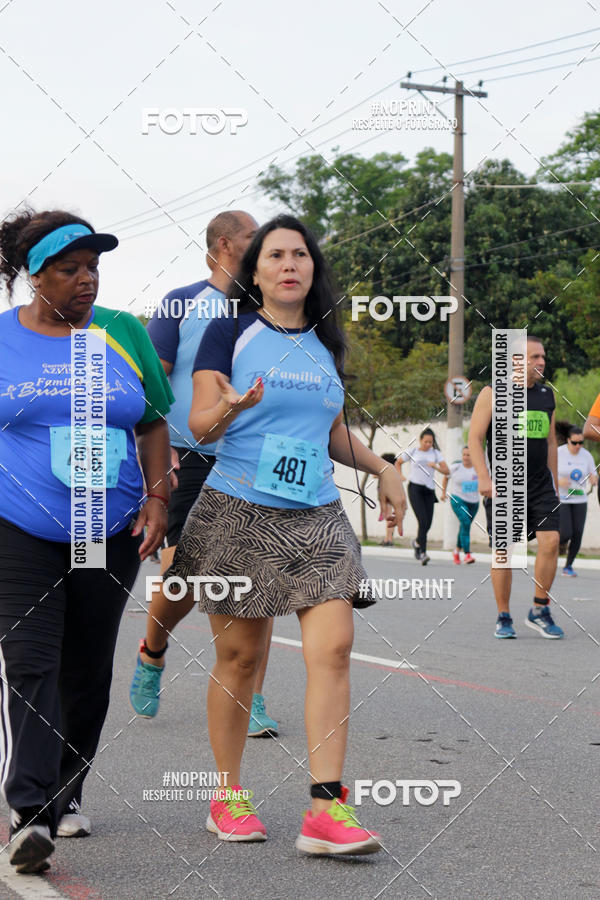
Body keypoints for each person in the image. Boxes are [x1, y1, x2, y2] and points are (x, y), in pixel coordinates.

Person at [150, 214, 407, 853]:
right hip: (238, 511)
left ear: (313, 269)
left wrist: (383, 468)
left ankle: (325, 809)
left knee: (335, 647)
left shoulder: (325, 341)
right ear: (255, 271)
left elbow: (332, 434)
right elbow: (200, 423)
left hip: (316, 514)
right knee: (241, 658)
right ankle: (228, 796)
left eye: (300, 254)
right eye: (275, 255)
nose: (289, 264)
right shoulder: (229, 331)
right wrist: (229, 406)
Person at [0, 209, 173, 874]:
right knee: (30, 661)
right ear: (34, 276)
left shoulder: (122, 334)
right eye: (69, 269)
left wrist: (158, 498)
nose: (86, 280)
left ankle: (66, 792)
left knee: (87, 666)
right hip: (19, 528)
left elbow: (152, 422)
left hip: (104, 528)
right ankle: (29, 812)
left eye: (93, 267)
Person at [129, 211, 278, 737]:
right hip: (190, 454)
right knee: (185, 578)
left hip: (250, 458)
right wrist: (156, 453)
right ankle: (152, 651)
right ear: (225, 244)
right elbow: (150, 383)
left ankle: (249, 695)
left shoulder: (266, 310)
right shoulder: (183, 302)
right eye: (253, 237)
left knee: (257, 576)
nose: (263, 244)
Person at [469, 335, 564, 639]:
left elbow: (551, 442)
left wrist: (554, 482)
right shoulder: (493, 392)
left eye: (543, 357)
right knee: (505, 552)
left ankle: (539, 608)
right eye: (535, 357)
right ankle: (504, 615)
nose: (541, 362)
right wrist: (484, 477)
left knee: (551, 541)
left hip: (540, 484)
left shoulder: (547, 395)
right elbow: (475, 438)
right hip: (504, 486)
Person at [396, 428, 449, 565]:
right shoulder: (413, 452)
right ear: (420, 440)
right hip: (415, 488)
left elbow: (446, 470)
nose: (428, 444)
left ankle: (417, 542)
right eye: (426, 442)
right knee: (423, 520)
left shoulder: (436, 453)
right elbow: (398, 462)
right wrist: (400, 475)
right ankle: (423, 553)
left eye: (430, 442)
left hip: (429, 490)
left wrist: (436, 467)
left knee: (428, 523)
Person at [557, 425, 597, 576]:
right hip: (563, 499)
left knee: (578, 533)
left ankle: (568, 566)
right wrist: (558, 481)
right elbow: (547, 472)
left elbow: (593, 473)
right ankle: (556, 544)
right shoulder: (559, 453)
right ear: (568, 440)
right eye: (574, 443)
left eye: (581, 443)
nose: (578, 446)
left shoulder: (586, 455)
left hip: (580, 499)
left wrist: (593, 478)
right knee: (566, 532)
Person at [441, 446, 479, 564]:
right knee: (466, 523)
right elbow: (446, 478)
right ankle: (467, 554)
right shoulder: (455, 467)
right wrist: (443, 493)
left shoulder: (478, 468)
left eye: (469, 455)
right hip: (458, 499)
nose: (466, 457)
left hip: (474, 502)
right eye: (464, 455)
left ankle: (457, 550)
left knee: (465, 526)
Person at [379, 453, 397, 545]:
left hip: (386, 496)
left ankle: (388, 539)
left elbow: (374, 475)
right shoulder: (394, 471)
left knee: (388, 517)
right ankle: (389, 539)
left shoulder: (384, 471)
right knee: (390, 517)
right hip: (392, 495)